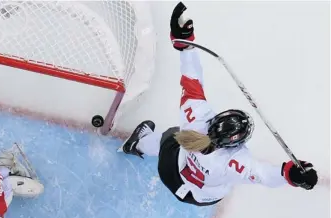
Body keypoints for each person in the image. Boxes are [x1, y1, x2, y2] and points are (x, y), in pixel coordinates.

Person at [119, 2, 318, 207]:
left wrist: (185, 45)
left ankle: (136, 144)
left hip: (171, 172)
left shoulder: (195, 117)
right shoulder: (234, 163)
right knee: (178, 140)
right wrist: (291, 174)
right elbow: (263, 175)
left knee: (171, 136)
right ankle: (139, 145)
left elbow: (192, 77)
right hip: (199, 196)